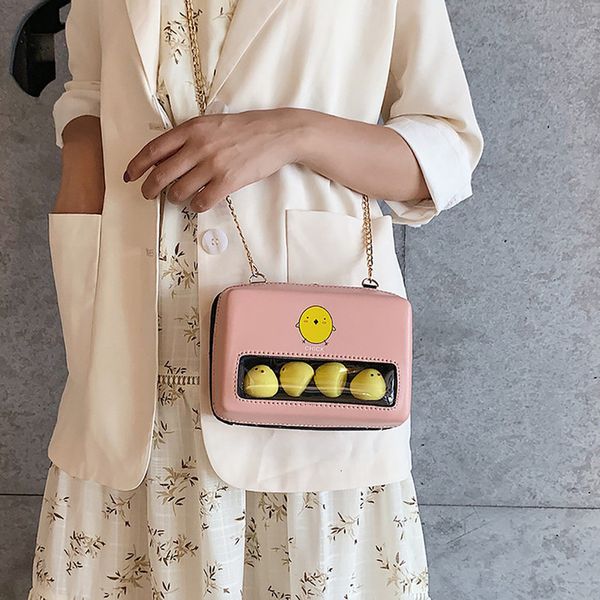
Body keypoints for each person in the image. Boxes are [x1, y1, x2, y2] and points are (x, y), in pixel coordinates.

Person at [28, 0, 484, 598]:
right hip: (135, 361)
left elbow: (446, 150)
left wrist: (294, 133)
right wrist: (79, 190)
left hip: (302, 378)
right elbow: (89, 90)